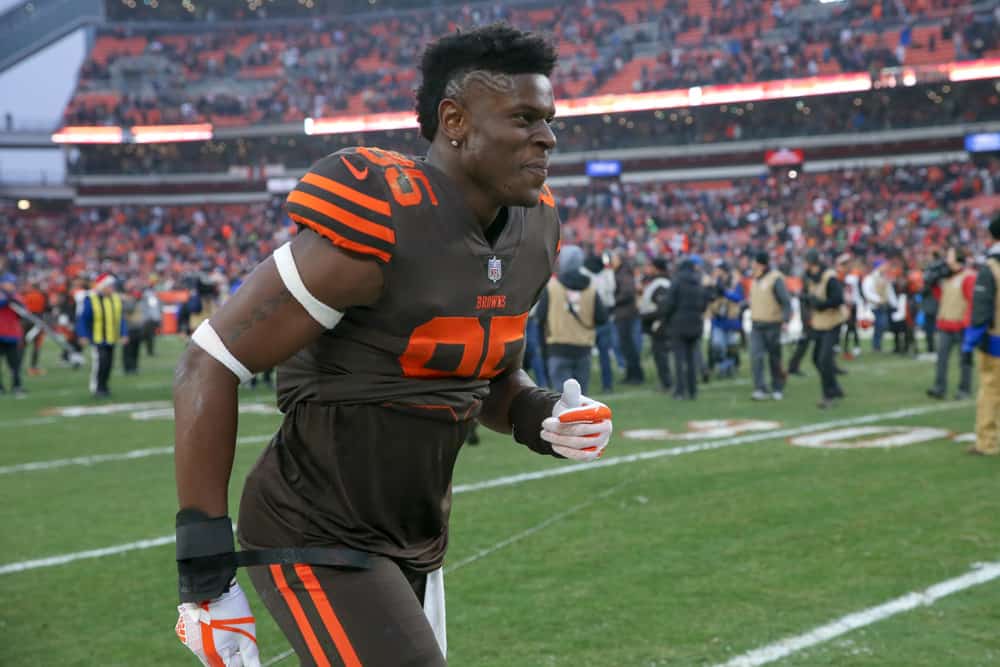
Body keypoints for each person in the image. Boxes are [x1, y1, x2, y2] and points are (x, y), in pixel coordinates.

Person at [172, 25, 614, 667]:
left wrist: (540, 416)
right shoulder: (379, 214)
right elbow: (208, 362)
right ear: (455, 120)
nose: (547, 136)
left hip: (414, 536)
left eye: (548, 119)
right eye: (524, 118)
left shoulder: (534, 227)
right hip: (311, 528)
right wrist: (205, 580)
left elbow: (489, 379)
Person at [537, 244, 608, 394]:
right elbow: (602, 318)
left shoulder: (551, 288)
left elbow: (540, 317)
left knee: (561, 399)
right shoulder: (591, 288)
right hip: (583, 348)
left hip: (558, 347)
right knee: (582, 399)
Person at [962, 214, 1000, 456]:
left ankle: (987, 442)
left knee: (990, 391)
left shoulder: (990, 268)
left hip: (996, 341)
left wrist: (968, 345)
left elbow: (981, 311)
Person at [927, 247, 975, 400]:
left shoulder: (968, 277)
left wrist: (968, 325)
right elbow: (940, 297)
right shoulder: (947, 277)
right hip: (945, 324)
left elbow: (971, 302)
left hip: (961, 326)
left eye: (949, 255)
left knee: (964, 361)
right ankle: (939, 387)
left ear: (957, 259)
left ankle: (964, 389)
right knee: (941, 359)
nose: (947, 258)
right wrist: (933, 285)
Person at [803, 249, 845, 408]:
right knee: (816, 358)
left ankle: (828, 395)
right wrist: (807, 300)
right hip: (819, 323)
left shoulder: (829, 277)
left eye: (806, 262)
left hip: (832, 322)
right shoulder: (811, 279)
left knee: (824, 359)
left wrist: (820, 304)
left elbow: (838, 299)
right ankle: (834, 387)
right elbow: (811, 297)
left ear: (812, 263)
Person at [76, 273, 128, 398]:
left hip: (112, 337)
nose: (112, 288)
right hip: (98, 338)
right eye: (109, 286)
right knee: (100, 364)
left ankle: (104, 386)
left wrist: (124, 333)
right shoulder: (91, 299)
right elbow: (82, 319)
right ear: (102, 286)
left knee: (109, 364)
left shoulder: (115, 298)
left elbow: (120, 318)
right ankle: (97, 388)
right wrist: (82, 335)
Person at [663, 256, 708, 400]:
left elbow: (669, 304)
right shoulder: (697, 282)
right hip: (695, 324)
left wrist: (666, 319)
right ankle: (693, 390)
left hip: (679, 324)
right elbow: (703, 304)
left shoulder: (676, 282)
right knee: (692, 359)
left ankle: (680, 391)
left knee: (678, 359)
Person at [749, 251, 791, 400]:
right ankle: (760, 388)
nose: (752, 264)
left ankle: (777, 387)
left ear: (760, 263)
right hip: (756, 324)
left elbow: (785, 300)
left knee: (775, 358)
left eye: (754, 262)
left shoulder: (775, 278)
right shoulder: (754, 279)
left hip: (773, 323)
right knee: (756, 356)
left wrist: (785, 320)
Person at [582, 251, 616, 392]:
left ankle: (583, 385)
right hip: (604, 316)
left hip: (589, 319)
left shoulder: (584, 274)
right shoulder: (606, 274)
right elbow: (612, 292)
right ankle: (607, 384)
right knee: (603, 355)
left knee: (585, 355)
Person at [639, 257, 672, 392]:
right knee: (659, 355)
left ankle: (666, 383)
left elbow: (662, 308)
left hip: (659, 325)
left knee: (661, 355)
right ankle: (665, 382)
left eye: (650, 266)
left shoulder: (661, 285)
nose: (647, 269)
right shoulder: (658, 283)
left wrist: (646, 317)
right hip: (657, 324)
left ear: (656, 268)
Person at [611, 250, 644, 385]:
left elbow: (628, 292)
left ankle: (636, 375)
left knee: (628, 346)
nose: (612, 261)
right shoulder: (622, 272)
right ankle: (632, 374)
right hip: (625, 313)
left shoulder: (623, 273)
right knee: (626, 346)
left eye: (614, 258)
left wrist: (613, 300)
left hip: (625, 314)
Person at [708, 261, 744, 379]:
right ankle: (722, 367)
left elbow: (738, 297)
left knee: (731, 346)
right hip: (718, 319)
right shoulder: (714, 283)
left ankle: (729, 367)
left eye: (718, 269)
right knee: (718, 346)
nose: (716, 271)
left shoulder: (734, 283)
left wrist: (724, 292)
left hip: (731, 319)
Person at [0, 273, 25, 397]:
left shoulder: (16, 297)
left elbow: (22, 312)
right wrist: (6, 299)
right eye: (9, 283)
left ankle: (17, 385)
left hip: (12, 334)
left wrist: (12, 299)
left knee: (15, 364)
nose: (12, 285)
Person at [863, 258, 896, 352]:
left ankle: (877, 345)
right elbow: (867, 292)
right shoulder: (870, 278)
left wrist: (894, 304)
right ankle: (876, 345)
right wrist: (878, 300)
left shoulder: (885, 277)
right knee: (879, 325)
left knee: (882, 325)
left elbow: (889, 292)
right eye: (883, 265)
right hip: (874, 306)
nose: (885, 267)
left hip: (883, 305)